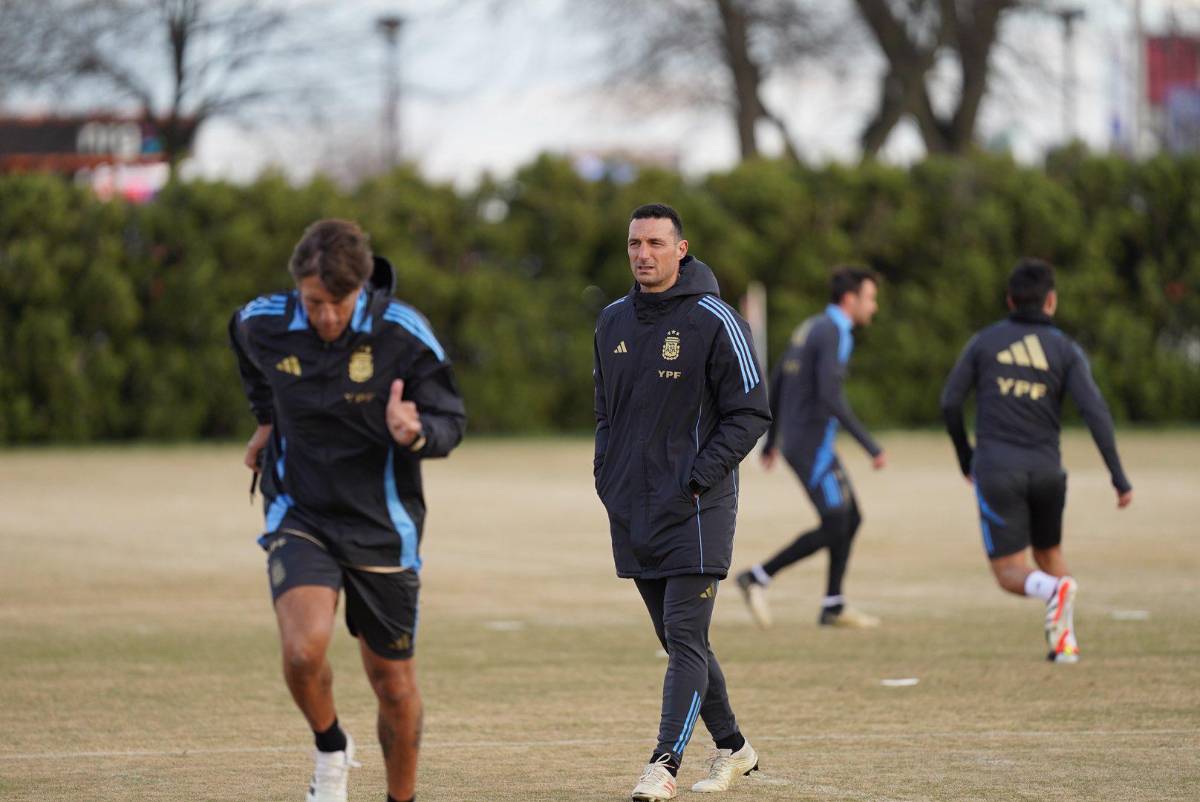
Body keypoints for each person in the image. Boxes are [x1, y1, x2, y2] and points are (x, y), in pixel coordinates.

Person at [229, 219, 466, 802]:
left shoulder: (402, 332)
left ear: (361, 287)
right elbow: (241, 340)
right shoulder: (264, 322)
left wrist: (416, 433)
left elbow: (450, 420)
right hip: (300, 511)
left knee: (393, 684)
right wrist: (266, 419)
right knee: (302, 650)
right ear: (298, 289)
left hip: (382, 524)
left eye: (339, 303)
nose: (327, 316)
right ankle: (331, 747)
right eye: (314, 303)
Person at [593, 203, 772, 801]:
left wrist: (699, 477)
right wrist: (607, 476)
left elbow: (751, 412)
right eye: (634, 243)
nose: (643, 254)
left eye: (655, 243)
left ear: (681, 249)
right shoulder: (611, 321)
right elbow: (605, 412)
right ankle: (735, 748)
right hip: (632, 506)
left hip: (698, 506)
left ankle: (662, 765)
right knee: (678, 640)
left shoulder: (715, 319)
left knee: (685, 636)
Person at [939, 258, 1132, 663]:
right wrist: (1118, 476)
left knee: (1010, 571)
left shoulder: (985, 342)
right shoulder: (1065, 348)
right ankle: (1065, 644)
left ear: (1010, 300)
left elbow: (950, 402)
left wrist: (965, 458)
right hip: (1048, 472)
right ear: (1051, 301)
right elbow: (1095, 411)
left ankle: (1053, 591)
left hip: (998, 470)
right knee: (1049, 553)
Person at [735, 267, 886, 630]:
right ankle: (757, 577)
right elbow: (830, 395)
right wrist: (870, 446)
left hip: (803, 441)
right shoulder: (835, 331)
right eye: (870, 298)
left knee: (850, 518)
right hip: (811, 445)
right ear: (849, 299)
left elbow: (779, 377)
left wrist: (773, 439)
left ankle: (833, 604)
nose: (874, 307)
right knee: (836, 522)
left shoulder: (812, 326)